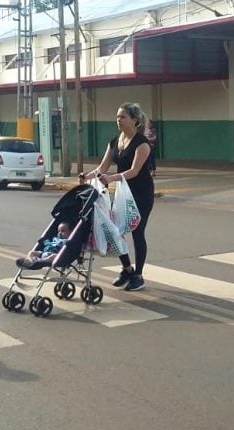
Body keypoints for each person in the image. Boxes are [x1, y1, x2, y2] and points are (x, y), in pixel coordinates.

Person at [79, 102, 154, 291]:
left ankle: (139, 275)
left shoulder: (142, 144)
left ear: (134, 121)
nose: (118, 120)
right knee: (114, 229)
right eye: (118, 117)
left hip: (141, 193)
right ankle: (127, 269)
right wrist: (87, 176)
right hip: (122, 194)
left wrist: (111, 178)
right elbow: (102, 168)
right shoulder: (114, 142)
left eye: (123, 117)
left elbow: (134, 171)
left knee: (137, 231)